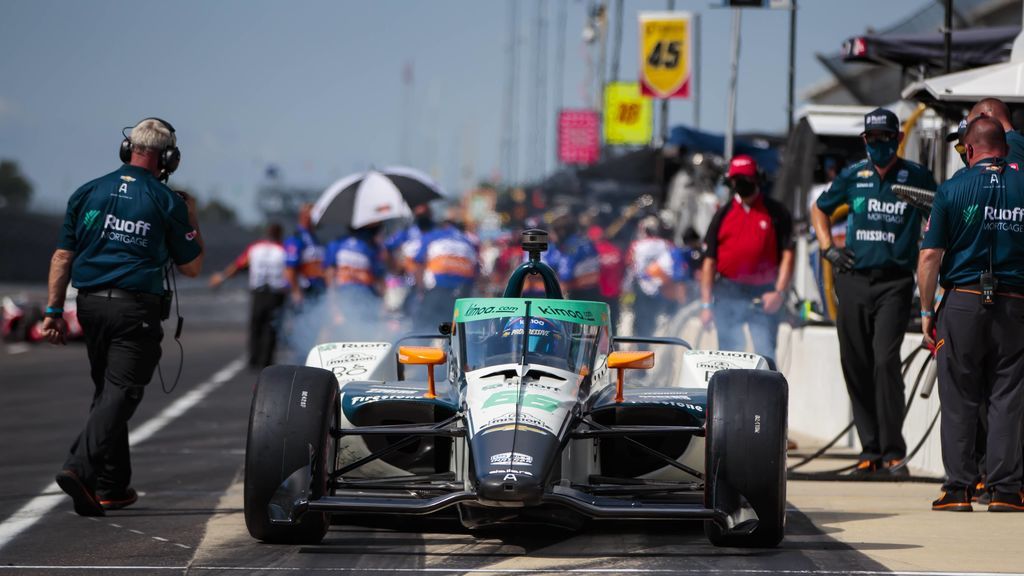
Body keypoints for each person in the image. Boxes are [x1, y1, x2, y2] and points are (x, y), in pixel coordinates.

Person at [43, 118, 203, 516]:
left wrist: (52, 311)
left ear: (127, 149)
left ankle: (113, 485)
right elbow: (193, 268)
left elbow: (63, 255)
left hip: (90, 306)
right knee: (122, 392)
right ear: (169, 158)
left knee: (107, 393)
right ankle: (79, 468)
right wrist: (192, 217)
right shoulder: (168, 201)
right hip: (135, 309)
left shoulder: (87, 192)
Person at [811, 107, 937, 476]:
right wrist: (827, 249)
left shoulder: (916, 176)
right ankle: (870, 450)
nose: (878, 144)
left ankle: (893, 451)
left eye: (885, 138)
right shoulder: (854, 175)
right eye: (871, 138)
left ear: (898, 139)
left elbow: (941, 212)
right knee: (856, 362)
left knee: (885, 361)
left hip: (895, 282)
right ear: (864, 141)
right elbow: (820, 210)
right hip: (853, 278)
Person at [919, 118, 1024, 512]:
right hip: (1015, 302)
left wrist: (927, 310)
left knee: (960, 396)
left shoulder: (952, 188)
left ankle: (959, 489)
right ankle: (1006, 491)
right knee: (1008, 396)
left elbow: (930, 256)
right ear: (1006, 146)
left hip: (962, 301)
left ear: (970, 148)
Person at [701, 154, 794, 362]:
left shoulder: (776, 212)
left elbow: (788, 254)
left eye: (746, 179)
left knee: (766, 353)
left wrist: (778, 293)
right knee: (728, 355)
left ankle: (767, 394)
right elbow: (709, 261)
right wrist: (706, 305)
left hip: (763, 293)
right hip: (728, 292)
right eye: (737, 180)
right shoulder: (722, 214)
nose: (741, 184)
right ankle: (730, 394)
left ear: (757, 179)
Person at [209, 223, 288, 369]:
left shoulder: (255, 248)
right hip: (276, 293)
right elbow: (290, 270)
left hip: (258, 292)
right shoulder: (283, 250)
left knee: (256, 324)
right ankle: (266, 360)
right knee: (271, 326)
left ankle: (254, 358)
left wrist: (222, 277)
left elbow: (238, 265)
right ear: (279, 234)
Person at [413, 214, 479, 331]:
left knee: (422, 330)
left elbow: (418, 263)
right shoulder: (469, 242)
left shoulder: (432, 236)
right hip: (460, 295)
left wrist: (420, 290)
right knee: (454, 333)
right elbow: (476, 270)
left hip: (435, 291)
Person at [626, 216, 687, 337]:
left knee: (642, 324)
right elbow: (677, 268)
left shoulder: (636, 245)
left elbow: (630, 267)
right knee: (659, 323)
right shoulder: (668, 245)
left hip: (643, 290)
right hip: (662, 288)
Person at [324, 223, 386, 335]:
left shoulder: (372, 247)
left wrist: (381, 304)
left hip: (366, 301)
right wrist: (333, 306)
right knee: (336, 333)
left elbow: (380, 278)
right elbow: (330, 275)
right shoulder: (337, 244)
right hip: (344, 300)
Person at [283, 203, 326, 305]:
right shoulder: (297, 238)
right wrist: (296, 291)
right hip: (304, 289)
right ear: (304, 216)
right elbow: (290, 268)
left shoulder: (315, 238)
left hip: (317, 289)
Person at [967, 98, 1024, 167]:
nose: (971, 132)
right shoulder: (1018, 139)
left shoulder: (1008, 144)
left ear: (983, 116)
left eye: (972, 125)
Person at [588, 224, 626, 328]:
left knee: (594, 328)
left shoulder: (591, 252)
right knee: (612, 326)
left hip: (595, 296)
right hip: (614, 294)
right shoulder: (616, 250)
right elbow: (623, 270)